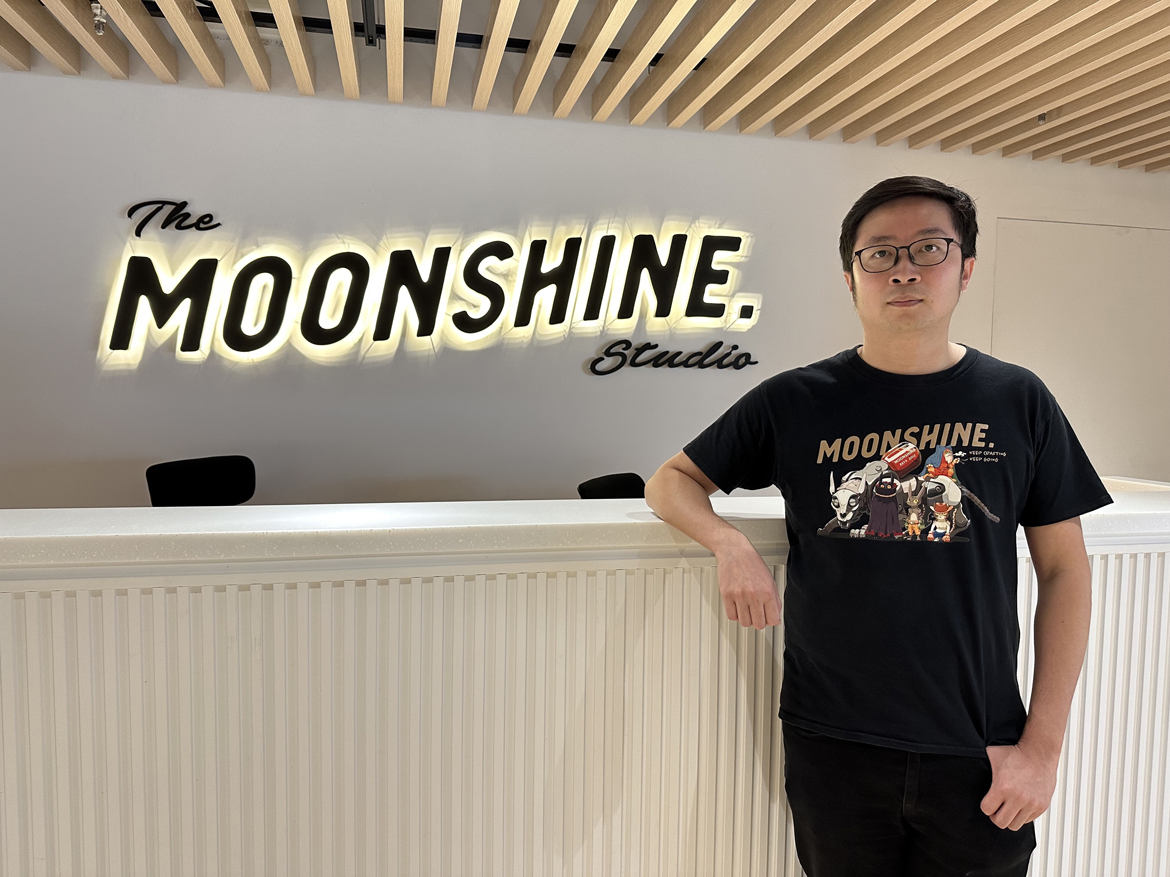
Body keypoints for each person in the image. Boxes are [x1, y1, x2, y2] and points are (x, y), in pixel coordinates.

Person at [644, 176, 1112, 877]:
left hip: (978, 746)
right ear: (850, 277)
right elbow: (670, 481)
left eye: (929, 248)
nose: (903, 269)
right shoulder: (795, 400)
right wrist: (728, 542)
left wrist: (1041, 750)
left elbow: (1065, 571)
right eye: (880, 253)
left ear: (966, 269)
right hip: (834, 744)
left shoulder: (1019, 400)